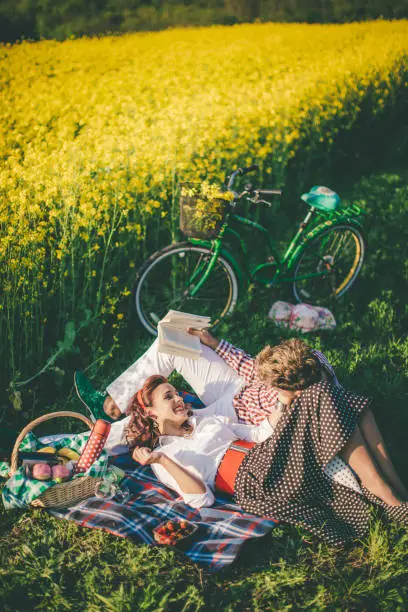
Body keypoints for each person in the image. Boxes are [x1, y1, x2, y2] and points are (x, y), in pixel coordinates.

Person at [75, 332, 408, 547]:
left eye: (178, 393)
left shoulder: (205, 419)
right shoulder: (166, 454)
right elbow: (200, 501)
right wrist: (160, 460)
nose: (181, 400)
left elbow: (257, 434)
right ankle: (391, 500)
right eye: (170, 397)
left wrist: (277, 416)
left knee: (340, 399)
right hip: (253, 480)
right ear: (150, 413)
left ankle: (395, 495)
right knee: (322, 394)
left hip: (266, 456)